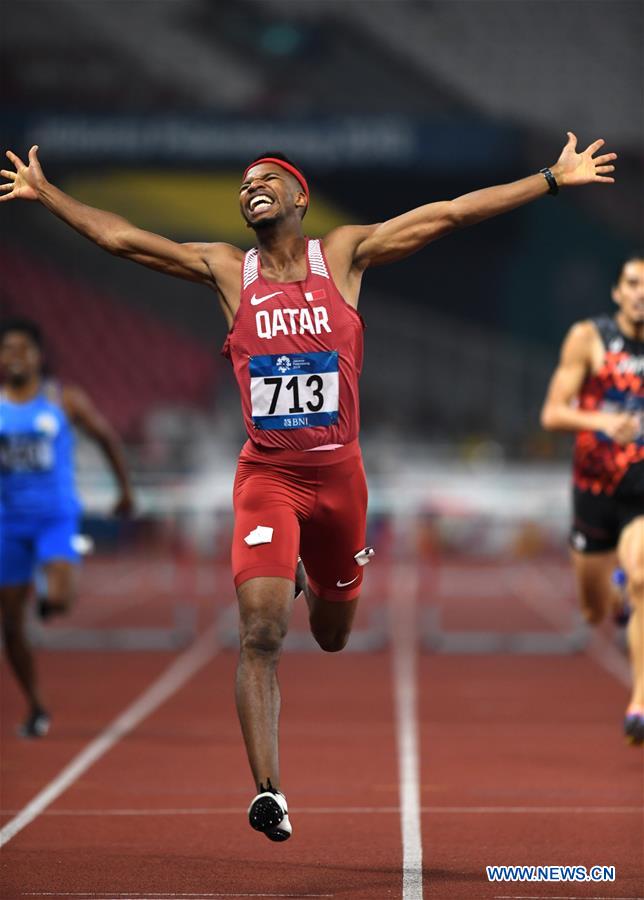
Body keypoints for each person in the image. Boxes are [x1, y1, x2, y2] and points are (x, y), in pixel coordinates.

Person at [1, 133, 616, 835]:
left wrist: (550, 179)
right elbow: (124, 240)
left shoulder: (344, 255)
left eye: (265, 179)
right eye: (241, 185)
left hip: (340, 481)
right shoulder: (228, 271)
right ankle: (269, 790)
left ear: (299, 197)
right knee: (260, 633)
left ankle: (307, 571)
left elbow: (448, 215)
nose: (249, 188)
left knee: (330, 634)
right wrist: (46, 193)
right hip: (268, 477)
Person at [0, 317, 134, 737]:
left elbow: (106, 438)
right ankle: (37, 704)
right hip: (8, 521)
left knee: (59, 597)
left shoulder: (63, 399)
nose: (16, 356)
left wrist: (125, 490)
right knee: (10, 624)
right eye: (8, 349)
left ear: (39, 355)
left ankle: (48, 593)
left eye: (24, 348)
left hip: (56, 515)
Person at [541, 255, 644, 746]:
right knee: (592, 610)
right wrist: (603, 422)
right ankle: (618, 590)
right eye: (633, 283)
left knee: (643, 576)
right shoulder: (590, 338)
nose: (642, 292)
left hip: (640, 489)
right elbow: (553, 413)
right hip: (594, 489)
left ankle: (639, 702)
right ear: (617, 292)